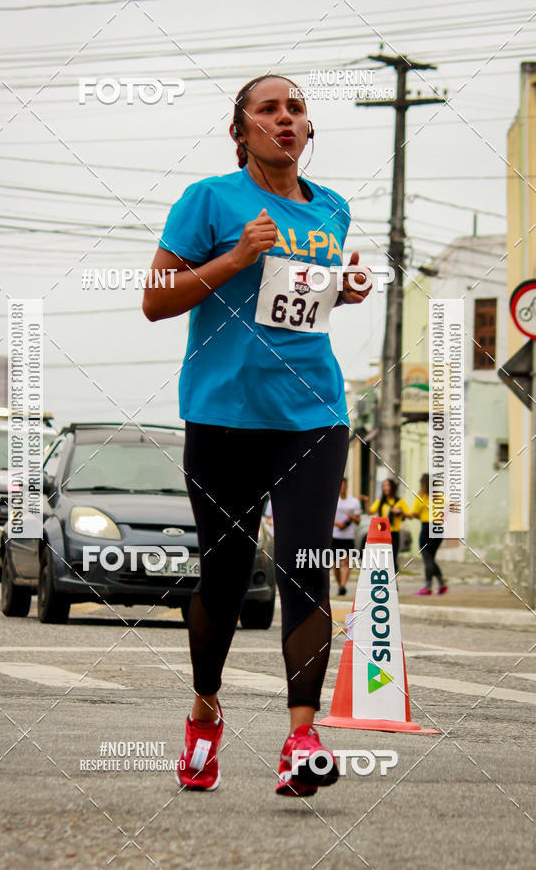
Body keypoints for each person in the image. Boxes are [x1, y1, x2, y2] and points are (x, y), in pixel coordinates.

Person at [143, 74, 372, 797]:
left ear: (308, 130)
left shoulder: (332, 207)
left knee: (306, 563)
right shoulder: (209, 201)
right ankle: (205, 710)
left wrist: (347, 285)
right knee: (227, 574)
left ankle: (302, 738)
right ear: (240, 130)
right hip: (223, 412)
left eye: (296, 109)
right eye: (268, 109)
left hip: (313, 411)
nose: (285, 118)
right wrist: (235, 259)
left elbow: (307, 296)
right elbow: (155, 300)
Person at [407, 473, 448, 595]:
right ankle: (442, 584)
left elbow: (414, 513)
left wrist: (403, 514)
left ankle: (428, 587)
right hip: (438, 529)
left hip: (427, 528)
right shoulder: (440, 496)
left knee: (427, 558)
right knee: (431, 559)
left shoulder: (421, 497)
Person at [368, 479, 409, 573]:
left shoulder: (400, 501)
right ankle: (384, 581)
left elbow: (409, 515)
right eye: (384, 486)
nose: (385, 488)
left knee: (392, 558)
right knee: (383, 560)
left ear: (392, 487)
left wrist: (400, 511)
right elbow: (370, 512)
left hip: (394, 534)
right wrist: (366, 501)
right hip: (382, 534)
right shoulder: (380, 502)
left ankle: (393, 583)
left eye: (387, 485)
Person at [331, 477, 361, 596]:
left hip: (348, 537)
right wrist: (338, 524)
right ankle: (340, 584)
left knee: (346, 562)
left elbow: (358, 520)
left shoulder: (354, 502)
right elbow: (328, 517)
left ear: (347, 486)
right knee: (336, 565)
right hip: (335, 536)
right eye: (340, 485)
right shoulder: (334, 501)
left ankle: (343, 585)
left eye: (344, 485)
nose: (342, 488)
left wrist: (351, 517)